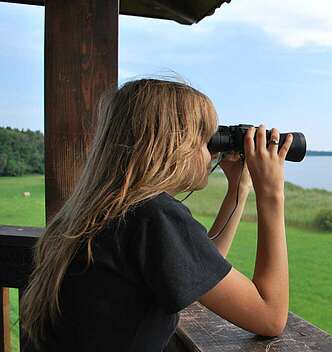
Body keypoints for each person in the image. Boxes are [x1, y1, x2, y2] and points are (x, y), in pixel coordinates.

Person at [20, 78, 293, 351]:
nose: (210, 152)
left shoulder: (102, 211)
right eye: (204, 139)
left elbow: (197, 272)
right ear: (172, 145)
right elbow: (270, 317)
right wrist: (271, 194)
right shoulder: (152, 216)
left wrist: (239, 188)